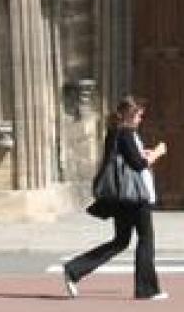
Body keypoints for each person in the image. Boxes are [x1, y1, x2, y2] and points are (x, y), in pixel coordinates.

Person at [63, 95, 167, 301]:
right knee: (146, 239)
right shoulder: (126, 133)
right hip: (134, 197)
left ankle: (75, 269)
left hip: (122, 197)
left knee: (120, 240)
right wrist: (157, 153)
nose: (140, 119)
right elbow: (137, 165)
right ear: (129, 115)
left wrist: (142, 153)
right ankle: (146, 289)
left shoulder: (114, 132)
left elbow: (126, 159)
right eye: (138, 115)